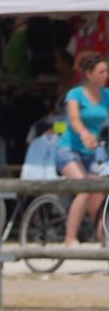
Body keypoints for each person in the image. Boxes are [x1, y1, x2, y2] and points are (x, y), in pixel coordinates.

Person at [55, 51, 109, 245]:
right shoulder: (75, 94)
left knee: (99, 196)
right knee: (84, 188)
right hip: (68, 150)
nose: (106, 76)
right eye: (101, 72)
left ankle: (103, 239)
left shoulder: (106, 95)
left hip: (92, 152)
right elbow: (74, 119)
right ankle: (69, 239)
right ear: (88, 74)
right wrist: (84, 133)